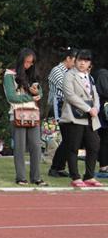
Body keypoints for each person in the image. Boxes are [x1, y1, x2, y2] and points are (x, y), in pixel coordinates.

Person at [3, 48, 47, 186]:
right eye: (26, 62)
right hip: (17, 113)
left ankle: (36, 177)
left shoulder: (32, 75)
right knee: (20, 147)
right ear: (20, 60)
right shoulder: (9, 75)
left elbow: (40, 92)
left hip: (33, 113)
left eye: (31, 62)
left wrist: (36, 93)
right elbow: (11, 97)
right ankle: (21, 177)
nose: (28, 65)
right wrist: (31, 97)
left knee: (36, 146)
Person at [60, 50, 103, 187]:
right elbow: (70, 95)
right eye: (80, 60)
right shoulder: (69, 75)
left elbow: (95, 95)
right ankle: (75, 177)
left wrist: (96, 108)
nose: (82, 63)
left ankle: (89, 176)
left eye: (86, 61)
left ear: (90, 63)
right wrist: (89, 109)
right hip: (74, 116)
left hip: (90, 118)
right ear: (75, 61)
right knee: (73, 147)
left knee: (94, 145)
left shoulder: (89, 77)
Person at [47, 47, 77, 177]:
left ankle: (59, 167)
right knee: (63, 139)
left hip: (67, 108)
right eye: (75, 60)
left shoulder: (70, 72)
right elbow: (67, 88)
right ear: (68, 58)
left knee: (68, 139)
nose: (76, 64)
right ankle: (55, 167)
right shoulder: (57, 70)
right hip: (57, 108)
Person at [94, 65, 108, 173]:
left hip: (101, 112)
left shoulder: (100, 74)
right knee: (104, 139)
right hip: (103, 114)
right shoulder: (103, 74)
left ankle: (104, 164)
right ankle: (104, 165)